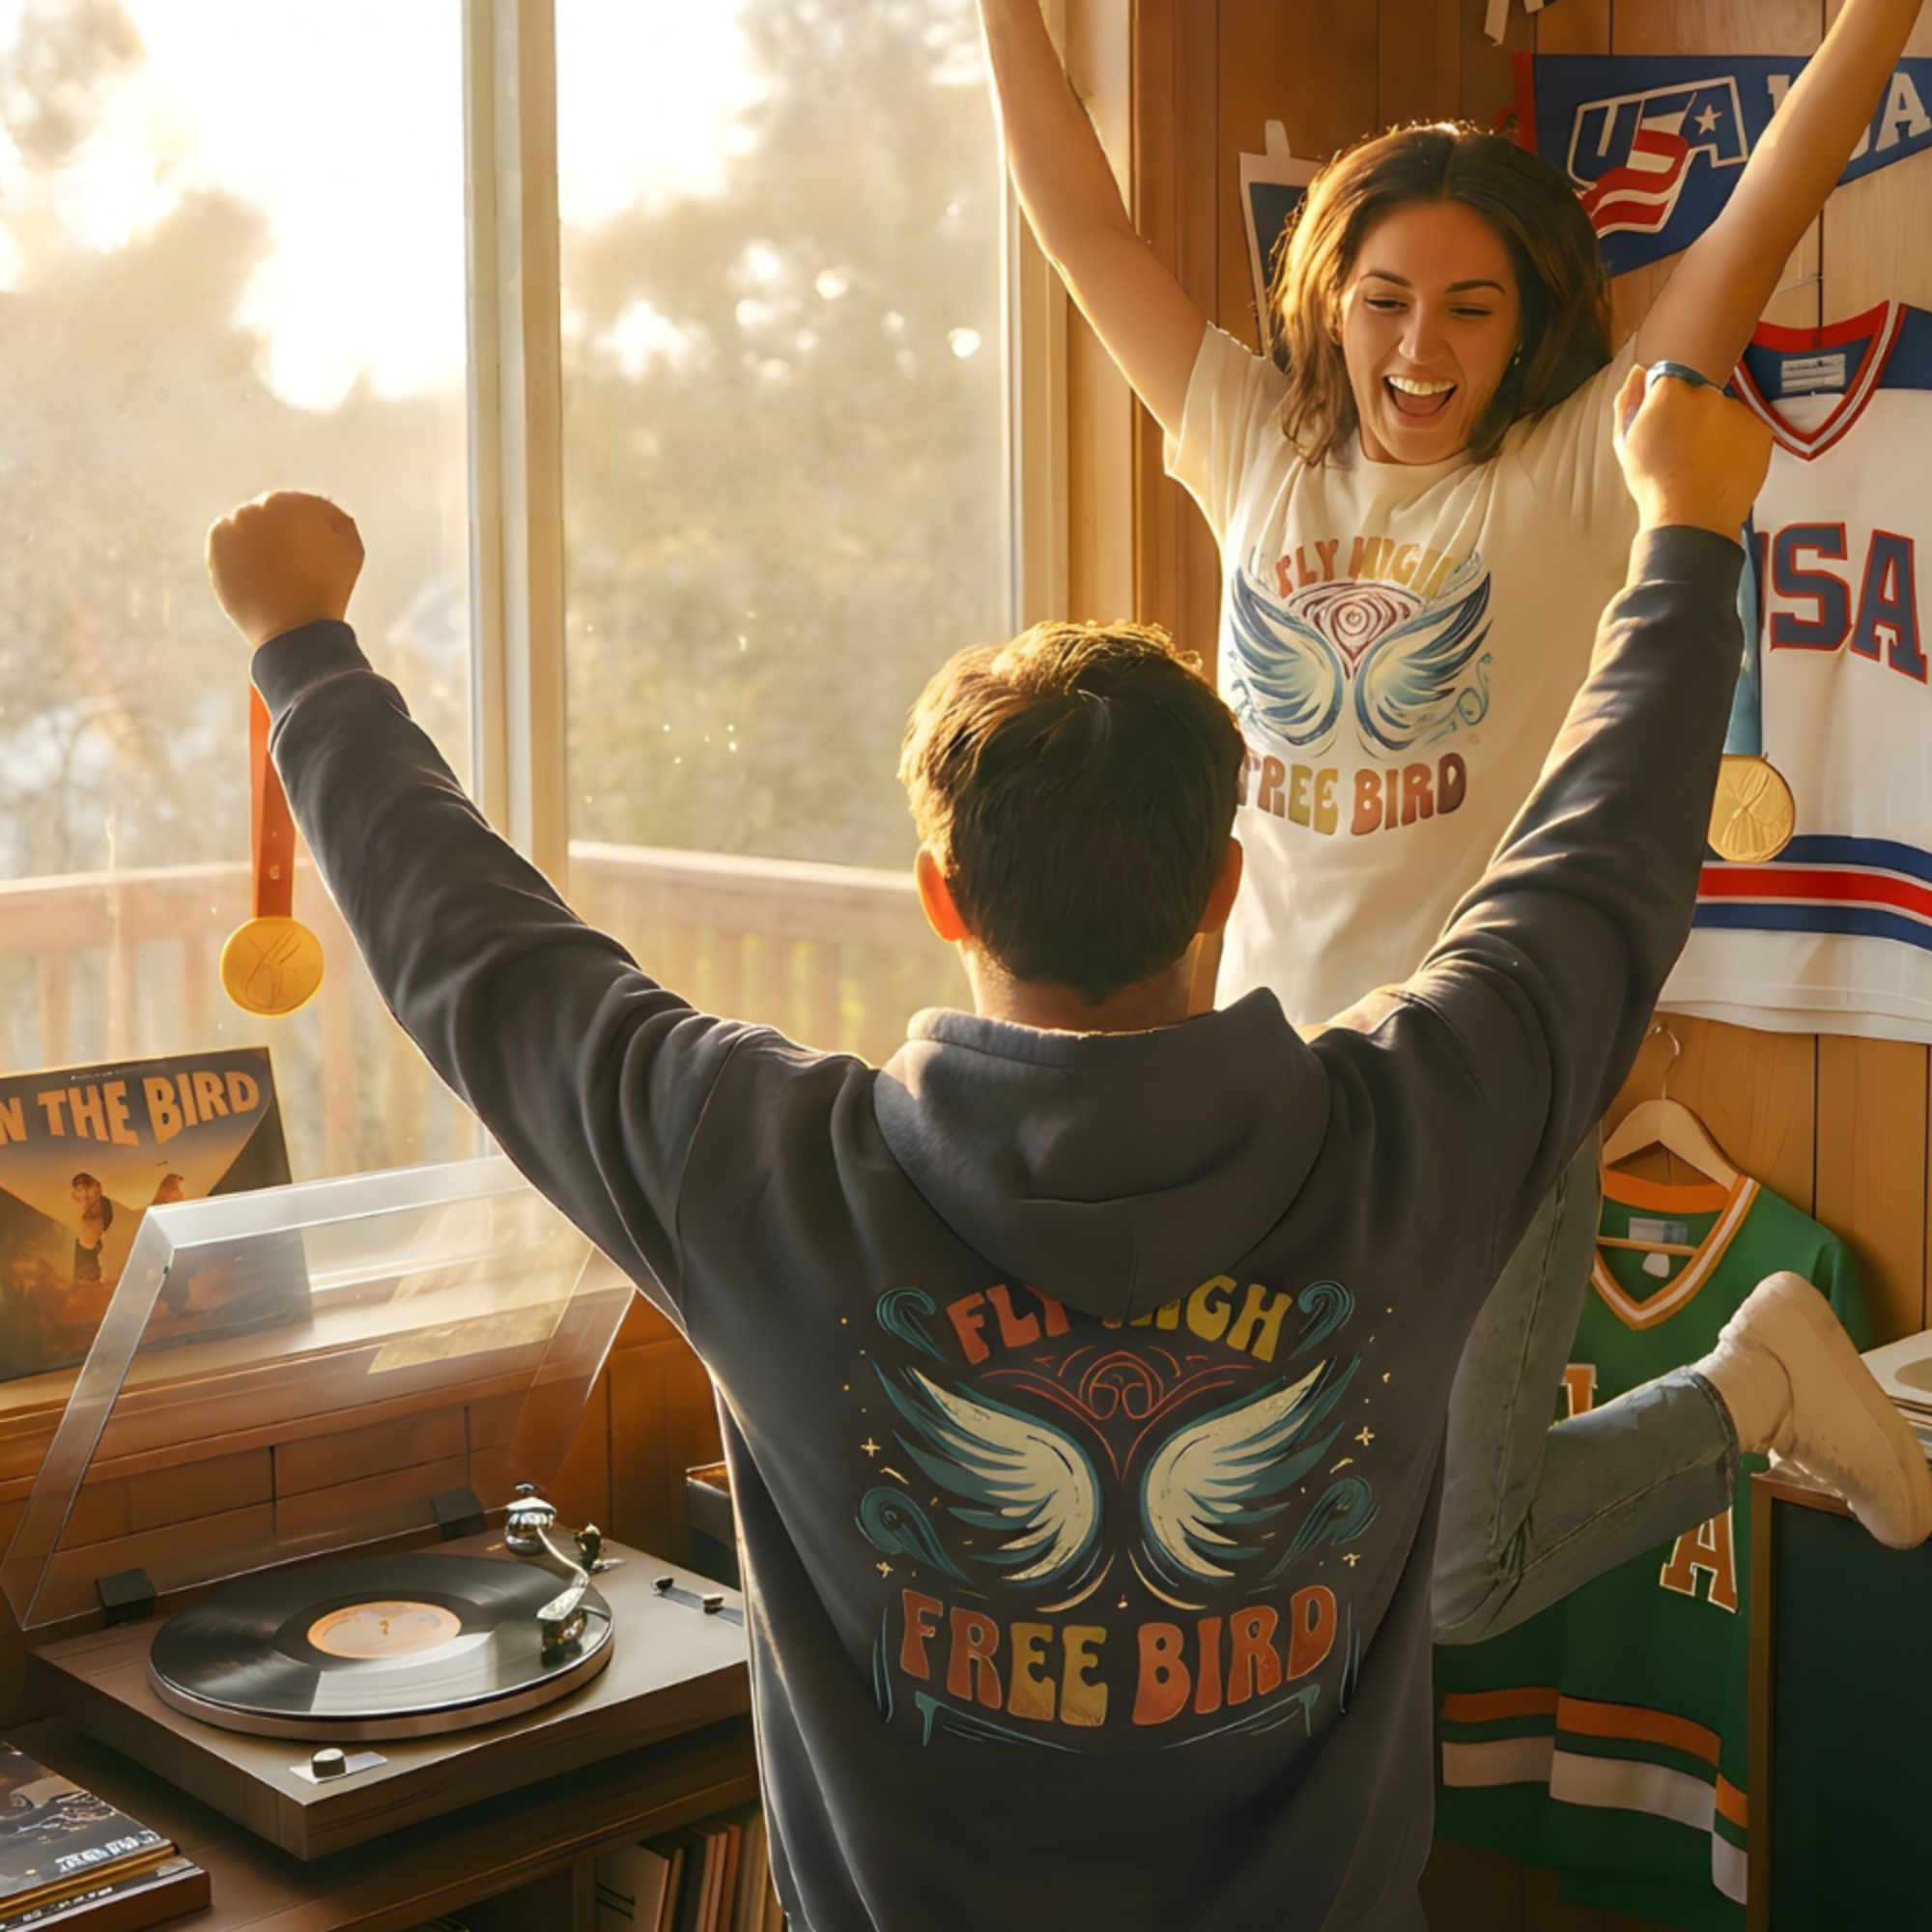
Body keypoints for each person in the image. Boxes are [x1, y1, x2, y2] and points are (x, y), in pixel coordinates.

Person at [204, 375, 1927, 1931]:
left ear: (942, 896)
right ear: (1224, 888)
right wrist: (1690, 534)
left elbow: (483, 961)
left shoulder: (757, 1169)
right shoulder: (1419, 1129)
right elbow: (1601, 873)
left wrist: (306, 653)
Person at [976, 0, 1932, 1638]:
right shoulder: (1255, 444)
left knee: (1464, 1575)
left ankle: (1758, 1381)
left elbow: (1767, 202)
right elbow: (1076, 216)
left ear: (1528, 324)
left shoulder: (1577, 462)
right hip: (1273, 1096)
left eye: (1470, 311)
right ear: (1331, 306)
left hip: (1499, 1076)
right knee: (1281, 1537)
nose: (1422, 351)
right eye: (1387, 301)